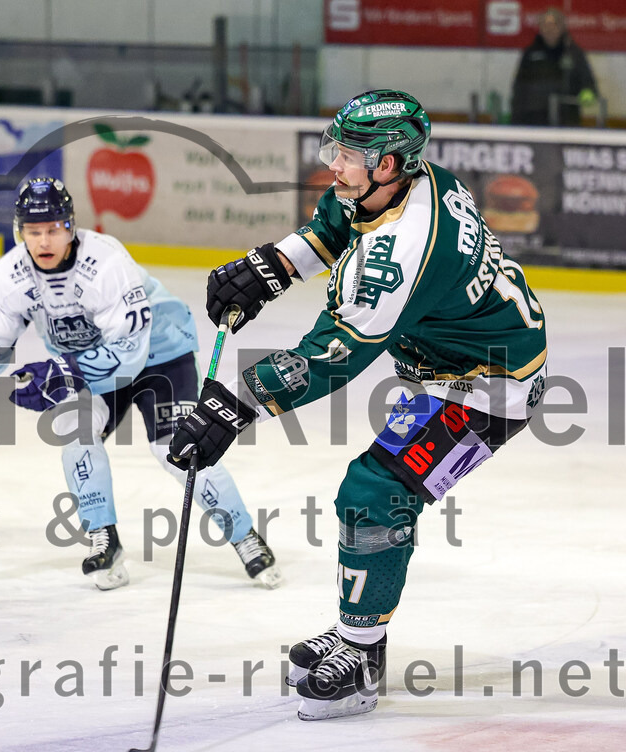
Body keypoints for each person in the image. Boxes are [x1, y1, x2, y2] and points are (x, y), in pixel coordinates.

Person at [168, 90, 547, 720]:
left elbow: (334, 355)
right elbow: (331, 229)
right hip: (445, 367)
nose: (333, 165)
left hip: (487, 388)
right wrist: (268, 268)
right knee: (373, 491)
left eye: (348, 154)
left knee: (375, 493)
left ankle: (361, 661)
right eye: (336, 148)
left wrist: (232, 406)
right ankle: (359, 637)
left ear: (390, 164)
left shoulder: (405, 250)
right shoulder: (396, 187)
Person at [0, 177, 282, 591]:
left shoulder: (105, 261)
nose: (44, 240)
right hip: (87, 364)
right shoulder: (8, 276)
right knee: (75, 429)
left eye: (54, 229)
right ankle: (103, 536)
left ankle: (244, 535)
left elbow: (130, 351)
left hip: (159, 355)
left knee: (176, 448)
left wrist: (65, 373)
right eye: (34, 232)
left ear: (71, 226)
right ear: (20, 233)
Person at [510, 8, 598, 126]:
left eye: (553, 25)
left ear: (562, 27)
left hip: (567, 120)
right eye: (545, 25)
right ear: (540, 28)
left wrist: (588, 93)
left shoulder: (574, 53)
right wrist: (516, 119)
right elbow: (519, 87)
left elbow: (588, 82)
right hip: (533, 121)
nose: (549, 29)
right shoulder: (530, 53)